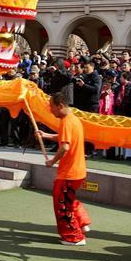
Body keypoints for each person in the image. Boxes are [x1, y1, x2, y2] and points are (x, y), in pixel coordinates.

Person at [35, 92, 91, 245]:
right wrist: (46, 135)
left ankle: (74, 237)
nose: (50, 110)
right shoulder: (73, 119)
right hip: (77, 171)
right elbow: (64, 137)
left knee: (62, 203)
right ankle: (82, 222)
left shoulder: (67, 121)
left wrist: (52, 161)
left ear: (60, 105)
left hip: (69, 173)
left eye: (52, 107)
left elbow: (65, 146)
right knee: (68, 199)